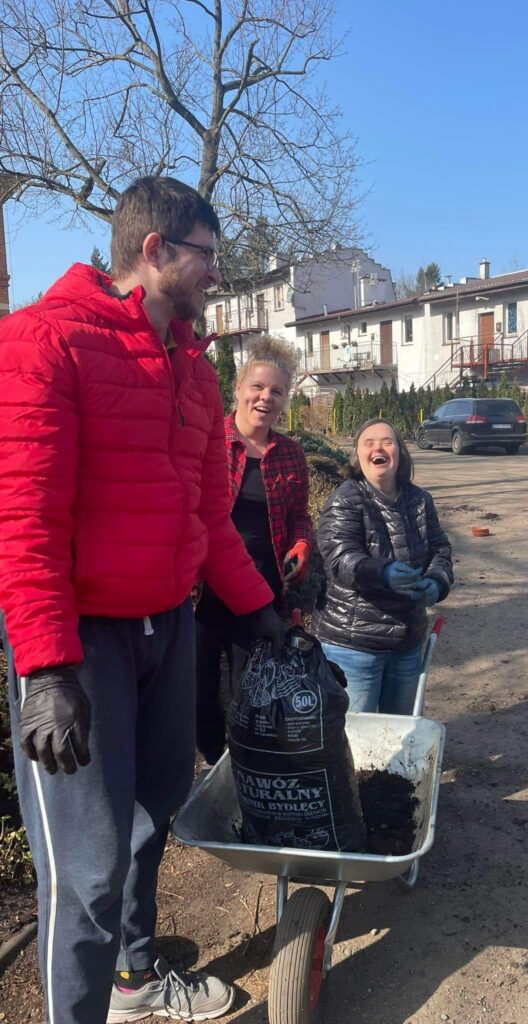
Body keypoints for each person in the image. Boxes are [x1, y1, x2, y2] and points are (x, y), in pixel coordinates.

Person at [0, 176, 286, 1024]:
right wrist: (47, 667)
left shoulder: (196, 374)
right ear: (154, 251)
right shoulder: (45, 342)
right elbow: (25, 519)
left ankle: (134, 982)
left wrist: (263, 612)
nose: (216, 278)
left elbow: (209, 519)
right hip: (81, 644)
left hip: (169, 630)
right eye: (207, 258)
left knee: (151, 820)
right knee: (85, 873)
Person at [195, 336, 312, 764]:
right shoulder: (211, 441)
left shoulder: (290, 454)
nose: (266, 397)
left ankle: (248, 762)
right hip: (205, 586)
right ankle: (211, 761)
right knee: (201, 682)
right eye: (258, 387)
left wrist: (302, 543)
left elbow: (300, 514)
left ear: (285, 400)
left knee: (251, 684)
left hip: (261, 588)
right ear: (239, 390)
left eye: (277, 391)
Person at [313, 417, 453, 713]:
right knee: (358, 739)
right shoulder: (345, 500)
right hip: (354, 644)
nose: (378, 448)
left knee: (400, 730)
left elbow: (440, 548)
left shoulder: (420, 501)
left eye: (387, 442)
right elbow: (339, 557)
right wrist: (383, 573)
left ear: (400, 453)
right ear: (358, 455)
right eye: (369, 442)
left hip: (407, 641)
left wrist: (437, 582)